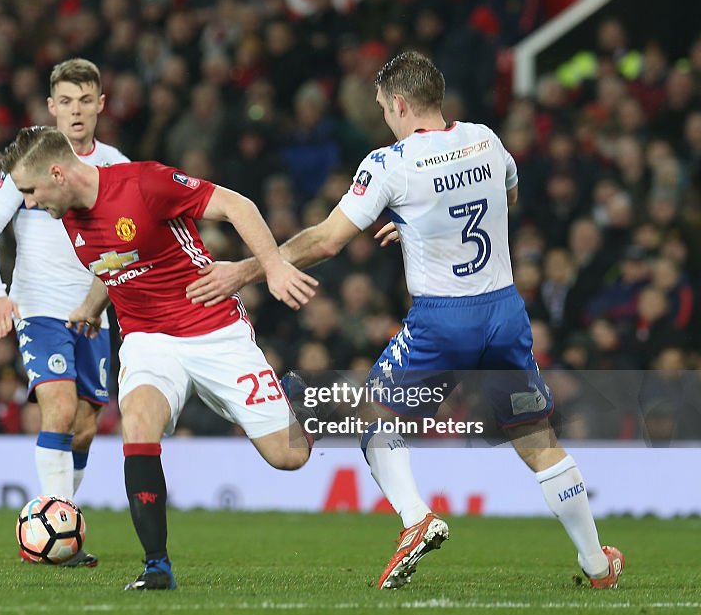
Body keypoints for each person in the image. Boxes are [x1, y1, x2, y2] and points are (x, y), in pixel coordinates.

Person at [186, 52, 624, 590]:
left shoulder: (390, 163)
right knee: (535, 434)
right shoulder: (487, 139)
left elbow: (325, 241)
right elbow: (505, 197)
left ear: (398, 103)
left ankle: (416, 518)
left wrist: (248, 271)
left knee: (374, 414)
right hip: (504, 311)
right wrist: (426, 227)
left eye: (382, 108)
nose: (383, 119)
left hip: (443, 319)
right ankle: (596, 565)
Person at [0, 126, 319, 590]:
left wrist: (270, 267)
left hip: (213, 329)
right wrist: (92, 307)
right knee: (138, 421)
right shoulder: (66, 214)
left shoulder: (143, 184)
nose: (28, 202)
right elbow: (112, 262)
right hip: (148, 339)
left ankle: (289, 395)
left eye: (29, 190)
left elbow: (237, 205)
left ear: (56, 173)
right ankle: (156, 566)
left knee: (289, 457)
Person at [0, 58, 129, 568]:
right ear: (51, 106)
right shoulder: (30, 160)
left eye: (85, 101)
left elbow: (128, 243)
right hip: (38, 309)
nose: (76, 111)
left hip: (95, 313)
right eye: (66, 101)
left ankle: (63, 525)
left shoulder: (115, 164)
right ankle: (57, 537)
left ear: (101, 104)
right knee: (57, 410)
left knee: (84, 427)